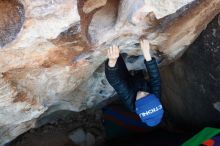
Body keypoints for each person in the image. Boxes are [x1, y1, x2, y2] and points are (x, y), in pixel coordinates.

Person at [104, 39, 164, 127]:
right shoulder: (155, 96)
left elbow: (116, 82)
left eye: (142, 98)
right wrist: (147, 54)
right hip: (140, 80)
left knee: (117, 62)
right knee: (140, 75)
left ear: (137, 105)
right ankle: (137, 72)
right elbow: (155, 78)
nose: (144, 93)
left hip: (128, 83)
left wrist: (112, 62)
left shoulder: (130, 102)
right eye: (148, 95)